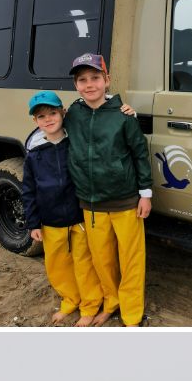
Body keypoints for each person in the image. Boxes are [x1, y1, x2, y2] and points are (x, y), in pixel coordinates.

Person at [63, 52, 153, 327]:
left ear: (107, 80)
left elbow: (140, 154)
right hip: (91, 204)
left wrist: (145, 194)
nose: (89, 84)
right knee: (102, 261)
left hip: (126, 202)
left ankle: (131, 313)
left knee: (131, 261)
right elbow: (50, 124)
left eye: (95, 78)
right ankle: (110, 302)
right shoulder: (73, 114)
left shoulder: (124, 116)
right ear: (76, 85)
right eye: (82, 80)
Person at [21, 90, 103, 327]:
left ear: (63, 113)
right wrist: (33, 222)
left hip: (78, 217)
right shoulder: (34, 156)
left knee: (85, 264)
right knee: (57, 266)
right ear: (35, 122)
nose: (48, 119)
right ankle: (70, 299)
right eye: (41, 116)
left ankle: (89, 306)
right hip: (50, 221)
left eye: (53, 113)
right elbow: (28, 191)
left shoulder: (75, 144)